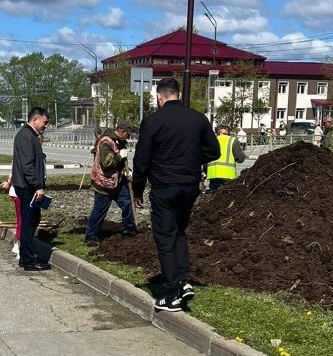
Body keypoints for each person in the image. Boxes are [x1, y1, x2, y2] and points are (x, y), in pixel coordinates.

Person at [132, 77, 220, 312]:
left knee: (164, 237)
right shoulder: (198, 119)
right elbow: (214, 150)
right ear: (179, 95)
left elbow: (141, 159)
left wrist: (137, 190)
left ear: (159, 97)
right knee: (179, 233)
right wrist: (191, 161)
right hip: (190, 186)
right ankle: (183, 280)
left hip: (164, 187)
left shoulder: (152, 122)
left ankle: (172, 293)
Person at [84, 120, 138, 246]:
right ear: (121, 131)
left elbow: (119, 164)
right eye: (128, 134)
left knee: (127, 203)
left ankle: (128, 229)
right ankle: (91, 236)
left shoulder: (120, 142)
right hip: (103, 183)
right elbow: (107, 164)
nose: (129, 137)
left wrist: (126, 171)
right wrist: (119, 156)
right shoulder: (106, 142)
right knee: (99, 210)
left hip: (117, 183)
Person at [11, 107, 51, 271]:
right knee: (28, 223)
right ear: (35, 120)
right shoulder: (26, 136)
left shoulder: (30, 135)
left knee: (33, 221)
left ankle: (29, 254)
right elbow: (28, 166)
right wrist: (37, 186)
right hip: (28, 188)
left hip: (30, 187)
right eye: (45, 122)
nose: (46, 126)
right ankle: (27, 260)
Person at [206, 125, 246, 193]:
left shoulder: (210, 141)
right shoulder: (233, 140)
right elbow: (241, 159)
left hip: (214, 175)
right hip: (228, 175)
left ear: (217, 133)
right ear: (229, 133)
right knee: (225, 199)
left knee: (213, 198)